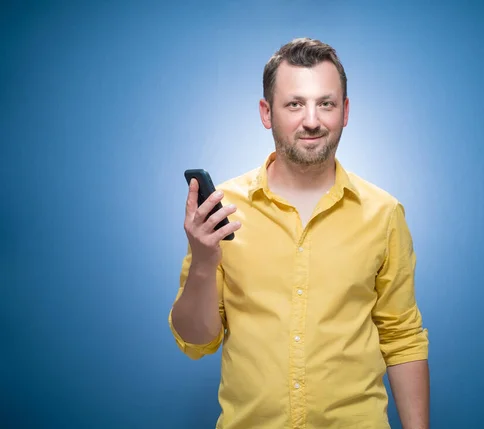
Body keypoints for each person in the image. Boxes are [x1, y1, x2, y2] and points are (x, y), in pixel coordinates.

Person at [169, 37, 430, 429]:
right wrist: (204, 262)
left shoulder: (384, 213)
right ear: (266, 112)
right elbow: (196, 341)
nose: (312, 120)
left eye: (325, 103)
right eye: (295, 104)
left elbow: (402, 337)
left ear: (345, 112)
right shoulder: (222, 210)